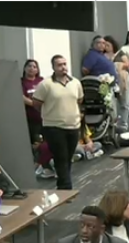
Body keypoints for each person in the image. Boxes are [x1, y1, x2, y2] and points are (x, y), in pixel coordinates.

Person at [31, 55, 83, 190]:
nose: (63, 67)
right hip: (53, 127)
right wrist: (50, 113)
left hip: (73, 125)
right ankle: (66, 187)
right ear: (53, 67)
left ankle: (62, 184)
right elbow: (36, 103)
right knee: (61, 156)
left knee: (67, 157)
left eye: (65, 64)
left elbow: (79, 100)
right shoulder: (46, 84)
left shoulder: (75, 83)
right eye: (59, 65)